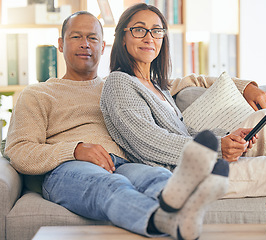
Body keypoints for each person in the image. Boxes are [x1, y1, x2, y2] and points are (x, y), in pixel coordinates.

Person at [4, 11, 230, 239]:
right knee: (109, 185)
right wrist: (75, 150)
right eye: (76, 37)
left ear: (103, 47)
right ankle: (163, 220)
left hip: (123, 163)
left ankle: (186, 209)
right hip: (68, 169)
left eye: (93, 38)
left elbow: (181, 82)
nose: (85, 44)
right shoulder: (37, 94)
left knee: (159, 178)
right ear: (61, 44)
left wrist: (244, 87)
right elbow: (19, 151)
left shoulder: (122, 86)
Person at [100, 3, 266, 198]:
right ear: (122, 37)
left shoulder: (158, 87)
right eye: (139, 30)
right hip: (182, 174)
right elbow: (149, 142)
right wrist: (216, 149)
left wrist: (228, 138)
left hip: (200, 159)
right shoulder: (119, 83)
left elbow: (183, 131)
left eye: (156, 31)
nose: (149, 37)